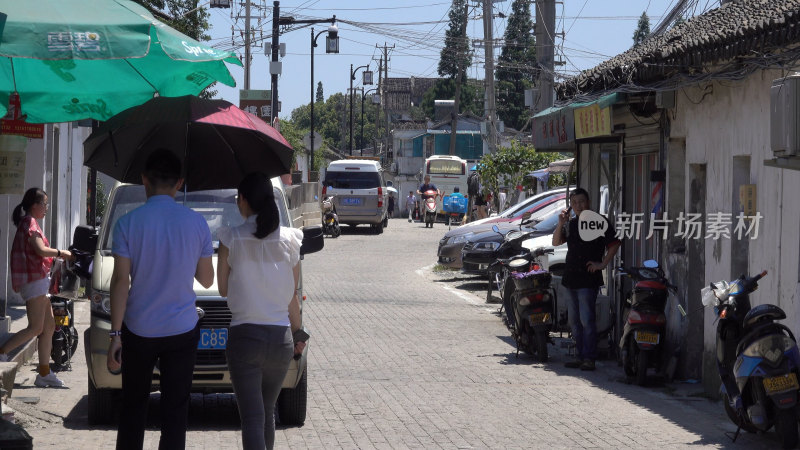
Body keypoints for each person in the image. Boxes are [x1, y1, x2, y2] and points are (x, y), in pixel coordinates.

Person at [107, 148, 215, 450]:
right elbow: (207, 279)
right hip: (181, 329)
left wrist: (116, 335)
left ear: (144, 180)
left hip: (138, 328)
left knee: (133, 407)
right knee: (175, 410)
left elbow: (120, 281)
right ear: (179, 183)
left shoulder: (127, 224)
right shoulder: (196, 223)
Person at [216, 173, 305, 450]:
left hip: (245, 338)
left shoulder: (231, 238)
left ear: (242, 200)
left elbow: (222, 289)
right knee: (267, 413)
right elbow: (292, 294)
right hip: (281, 341)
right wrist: (298, 331)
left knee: (252, 417)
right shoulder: (290, 240)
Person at [1, 187, 72, 387]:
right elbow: (41, 250)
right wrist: (61, 252)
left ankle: (44, 373)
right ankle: (2, 353)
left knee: (49, 326)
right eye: (45, 203)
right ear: (35, 205)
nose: (46, 208)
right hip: (34, 282)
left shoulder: (29, 222)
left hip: (38, 281)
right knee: (36, 327)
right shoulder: (30, 223)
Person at [552, 188, 620, 371]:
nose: (578, 206)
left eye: (581, 202)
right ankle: (580, 355)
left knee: (586, 320)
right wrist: (561, 223)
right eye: (574, 203)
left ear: (588, 202)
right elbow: (556, 242)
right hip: (570, 278)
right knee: (574, 321)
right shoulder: (571, 224)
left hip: (588, 279)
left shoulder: (599, 222)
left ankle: (589, 358)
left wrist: (602, 264)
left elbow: (614, 244)